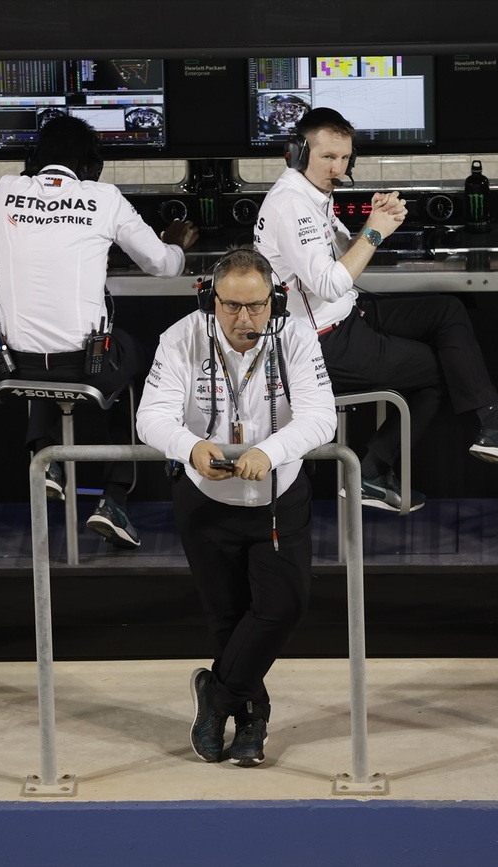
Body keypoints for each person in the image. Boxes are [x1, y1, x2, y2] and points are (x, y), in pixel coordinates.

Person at [254, 107, 498, 514]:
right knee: (437, 370)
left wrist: (375, 221)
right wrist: (377, 230)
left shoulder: (313, 196)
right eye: (328, 157)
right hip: (319, 344)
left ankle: (495, 425)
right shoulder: (290, 205)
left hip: (347, 313)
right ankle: (370, 471)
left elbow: (344, 252)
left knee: (447, 310)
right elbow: (328, 282)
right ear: (295, 153)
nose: (339, 168)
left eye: (345, 158)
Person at [136, 247, 337, 766]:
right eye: (232, 307)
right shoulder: (181, 337)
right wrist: (189, 446)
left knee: (283, 606)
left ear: (276, 299)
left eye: (257, 306)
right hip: (205, 499)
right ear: (211, 299)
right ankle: (253, 722)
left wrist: (269, 452)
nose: (245, 319)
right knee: (227, 618)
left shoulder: (294, 335)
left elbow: (320, 419)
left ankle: (216, 694)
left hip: (277, 496)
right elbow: (151, 416)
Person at [0, 115, 198, 548]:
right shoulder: (104, 197)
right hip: (88, 369)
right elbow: (164, 266)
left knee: (43, 364)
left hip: (16, 366)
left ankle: (46, 458)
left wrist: (33, 256)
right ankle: (114, 499)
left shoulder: (5, 190)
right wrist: (175, 243)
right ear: (94, 167)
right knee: (131, 364)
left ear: (30, 160)